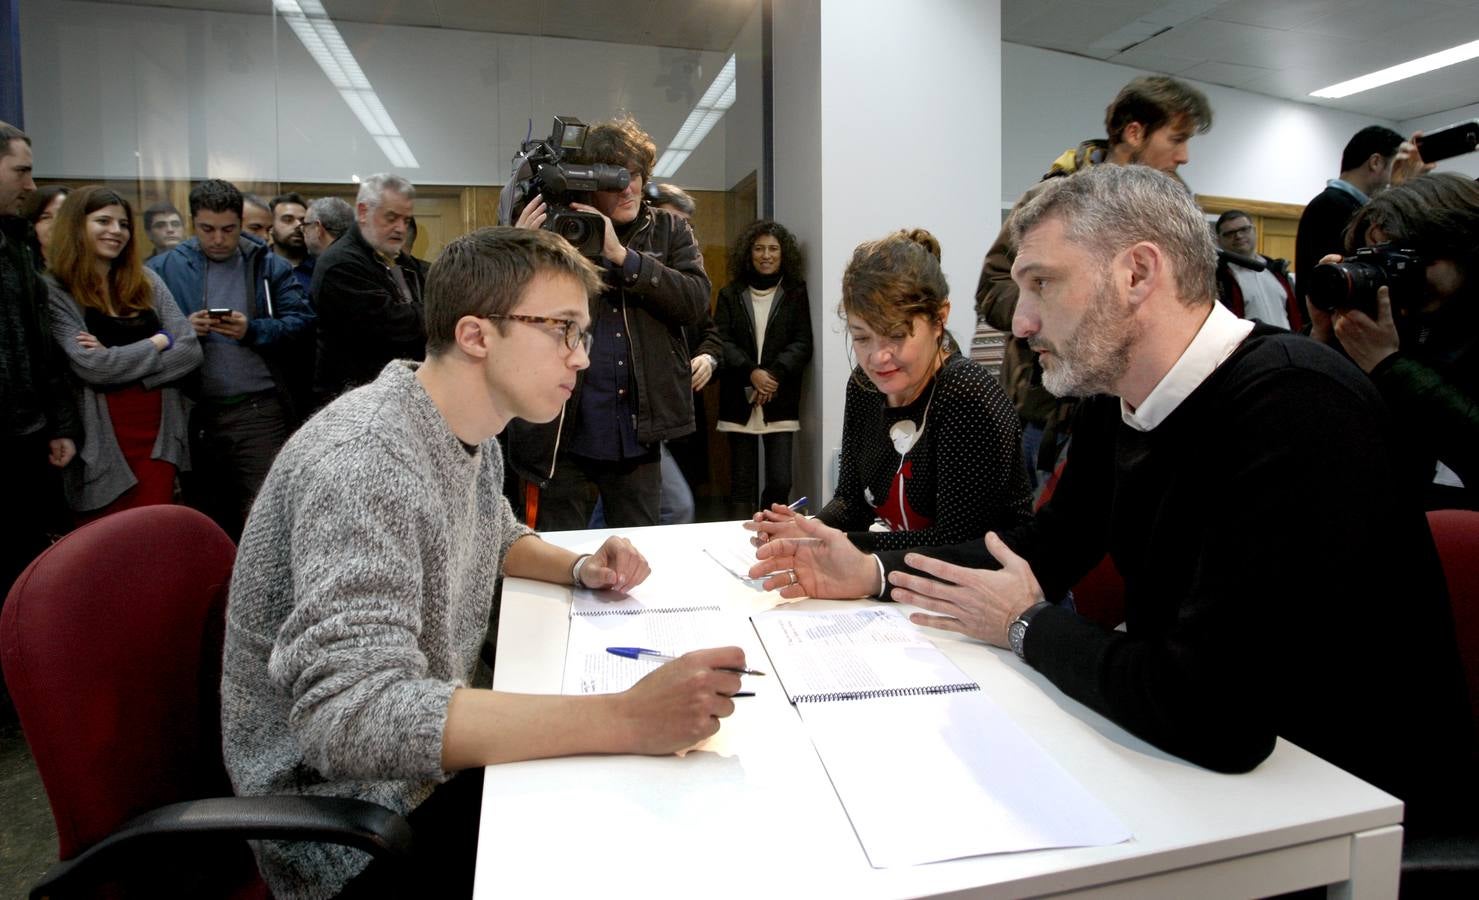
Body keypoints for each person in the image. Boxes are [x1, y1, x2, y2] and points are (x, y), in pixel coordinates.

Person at [749, 165, 1473, 838]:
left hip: (1342, 808)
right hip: (1213, 778)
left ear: (1135, 273)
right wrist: (872, 573)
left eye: (1040, 285)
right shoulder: (1116, 394)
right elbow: (1039, 550)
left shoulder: (1292, 405)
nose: (1021, 321)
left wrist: (1024, 626)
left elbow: (1212, 713)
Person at [222, 226, 746, 899]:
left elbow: (493, 534)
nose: (580, 358)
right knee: (648, 848)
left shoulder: (466, 423)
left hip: (420, 777)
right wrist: (624, 717)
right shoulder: (365, 461)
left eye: (580, 333)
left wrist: (580, 567)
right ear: (476, 335)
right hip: (353, 830)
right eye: (560, 329)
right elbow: (348, 717)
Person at [978, 75, 1212, 489]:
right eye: (1176, 139)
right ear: (1134, 132)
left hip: (1152, 411)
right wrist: (1051, 298)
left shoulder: (1176, 213)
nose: (1185, 156)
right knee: (1050, 540)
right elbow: (993, 287)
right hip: (1054, 416)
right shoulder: (1050, 202)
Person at [507, 114, 712, 530]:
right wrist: (517, 253)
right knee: (557, 554)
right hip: (562, 429)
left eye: (634, 175)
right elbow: (511, 318)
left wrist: (623, 258)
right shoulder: (554, 231)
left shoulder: (670, 230)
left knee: (639, 558)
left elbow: (695, 302)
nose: (628, 188)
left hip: (637, 433)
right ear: (586, 183)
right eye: (614, 179)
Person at [798, 228, 1030, 551]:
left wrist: (838, 545)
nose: (877, 357)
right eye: (862, 337)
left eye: (895, 335)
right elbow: (851, 502)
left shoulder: (968, 395)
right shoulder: (864, 387)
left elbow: (957, 543)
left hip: (993, 590)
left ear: (940, 319)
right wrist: (809, 531)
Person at [147, 179, 315, 539]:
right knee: (206, 517)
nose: (218, 239)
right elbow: (148, 338)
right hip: (196, 412)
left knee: (267, 515)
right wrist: (184, 330)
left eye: (228, 229)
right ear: (194, 223)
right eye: (208, 229)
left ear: (241, 223)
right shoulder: (166, 269)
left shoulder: (269, 266)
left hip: (260, 411)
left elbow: (302, 326)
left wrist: (252, 331)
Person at [1308, 172, 1479, 511]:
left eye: (1408, 258)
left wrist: (1389, 364)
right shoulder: (1398, 321)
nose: (1397, 272)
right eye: (1379, 258)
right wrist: (1321, 340)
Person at [45, 186, 202, 520]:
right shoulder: (56, 289)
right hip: (100, 440)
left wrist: (117, 361)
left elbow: (189, 350)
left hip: (159, 433)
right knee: (111, 539)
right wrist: (158, 342)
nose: (116, 231)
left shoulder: (146, 279)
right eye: (103, 221)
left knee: (156, 529)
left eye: (123, 224)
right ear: (76, 225)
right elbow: (93, 367)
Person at [0, 122, 77, 598]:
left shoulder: (16, 249)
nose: (31, 185)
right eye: (21, 171)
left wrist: (58, 424)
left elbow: (39, 346)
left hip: (24, 442)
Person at [713, 220, 812, 515]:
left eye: (773, 249)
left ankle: (768, 536)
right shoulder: (730, 294)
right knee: (742, 481)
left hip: (779, 397)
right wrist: (751, 373)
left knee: (781, 480)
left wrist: (772, 376)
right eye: (759, 248)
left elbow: (802, 342)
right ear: (749, 253)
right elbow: (721, 340)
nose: (766, 255)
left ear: (784, 255)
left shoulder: (796, 292)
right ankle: (738, 541)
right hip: (738, 397)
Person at [310, 173, 426, 405]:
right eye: (391, 218)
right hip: (356, 399)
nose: (400, 228)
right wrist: (442, 311)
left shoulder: (394, 256)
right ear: (363, 212)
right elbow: (395, 324)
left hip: (396, 392)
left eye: (406, 220)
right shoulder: (341, 264)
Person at [1293, 125, 1403, 319]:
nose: (1394, 178)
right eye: (1396, 166)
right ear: (1376, 162)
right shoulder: (1334, 207)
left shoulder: (1335, 204)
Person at [1212, 210, 1300, 329]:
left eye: (1244, 229)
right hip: (1249, 346)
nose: (1238, 236)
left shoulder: (1277, 270)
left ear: (1254, 230)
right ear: (1218, 240)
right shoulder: (1216, 278)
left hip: (1288, 343)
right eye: (1230, 233)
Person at [268, 191, 314, 291]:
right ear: (271, 226)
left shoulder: (320, 268)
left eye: (303, 220)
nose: (298, 225)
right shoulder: (260, 265)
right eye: (288, 219)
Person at [21, 184, 68, 270]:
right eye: (45, 217)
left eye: (63, 215)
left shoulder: (94, 266)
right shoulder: (22, 269)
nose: (56, 224)